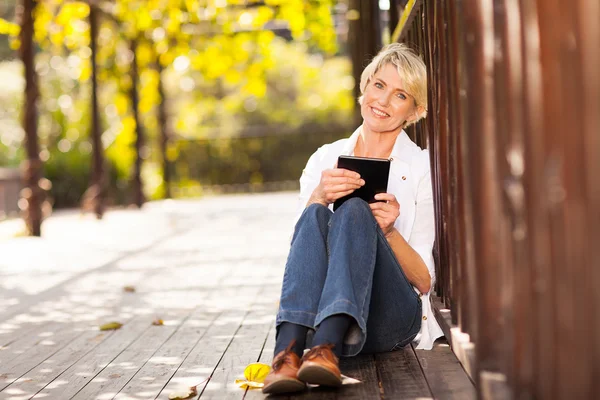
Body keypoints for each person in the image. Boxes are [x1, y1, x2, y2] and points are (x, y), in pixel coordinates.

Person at [262, 43, 444, 395]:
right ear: (365, 86)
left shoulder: (421, 167)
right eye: (379, 85)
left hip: (391, 317)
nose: (383, 101)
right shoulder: (324, 159)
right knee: (316, 211)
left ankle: (325, 347)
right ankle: (288, 353)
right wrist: (318, 198)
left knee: (356, 210)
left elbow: (423, 281)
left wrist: (389, 232)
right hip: (320, 317)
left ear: (414, 110)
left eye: (400, 95)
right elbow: (302, 258)